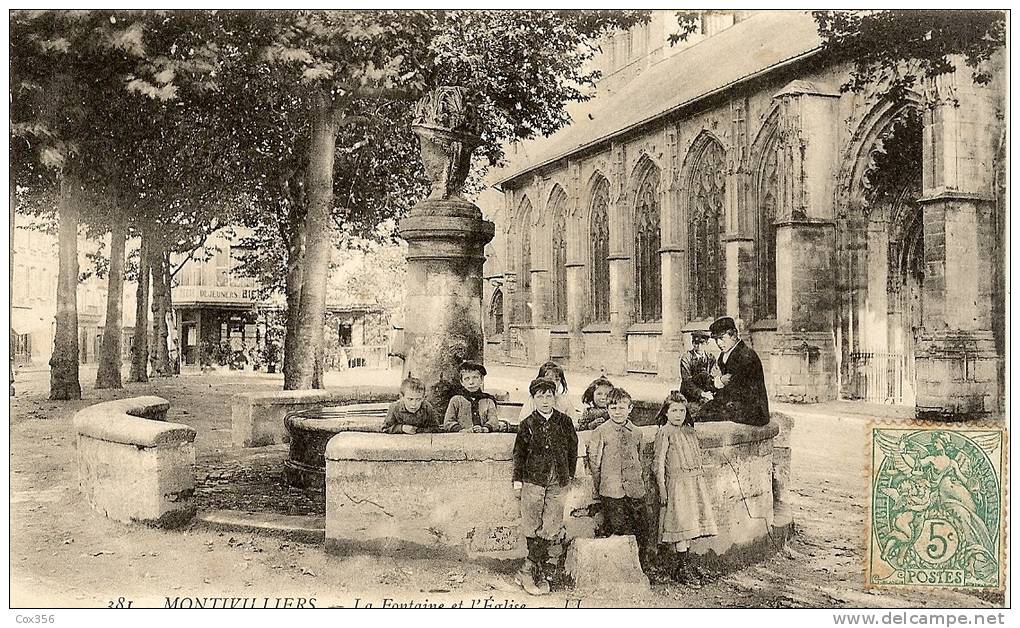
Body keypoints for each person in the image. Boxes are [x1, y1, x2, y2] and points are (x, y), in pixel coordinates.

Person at [512, 378, 578, 595]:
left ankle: (528, 568)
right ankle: (534, 569)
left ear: (555, 397)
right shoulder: (527, 424)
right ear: (533, 399)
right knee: (531, 522)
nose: (545, 400)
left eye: (549, 395)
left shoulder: (565, 422)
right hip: (533, 480)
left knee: (551, 523)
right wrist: (518, 481)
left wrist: (569, 475)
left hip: (558, 479)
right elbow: (519, 455)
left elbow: (572, 450)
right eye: (540, 396)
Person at [653, 391, 718, 581]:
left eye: (682, 410)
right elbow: (658, 464)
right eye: (674, 410)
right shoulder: (664, 433)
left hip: (693, 483)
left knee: (691, 523)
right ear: (666, 412)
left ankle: (685, 564)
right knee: (681, 523)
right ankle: (682, 568)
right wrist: (662, 489)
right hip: (677, 485)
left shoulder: (690, 431)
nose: (678, 415)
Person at [587, 387, 652, 570]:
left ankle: (641, 567)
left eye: (622, 408)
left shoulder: (637, 432)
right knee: (618, 529)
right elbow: (595, 463)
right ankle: (622, 569)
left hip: (635, 490)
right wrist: (601, 487)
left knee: (641, 529)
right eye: (613, 408)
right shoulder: (601, 432)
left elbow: (640, 460)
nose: (617, 412)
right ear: (607, 409)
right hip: (612, 491)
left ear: (630, 409)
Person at [697, 317, 770, 426]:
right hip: (735, 403)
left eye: (722, 338)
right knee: (702, 412)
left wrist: (718, 384)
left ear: (734, 335)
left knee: (704, 415)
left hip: (752, 410)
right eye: (716, 339)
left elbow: (737, 389)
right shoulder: (724, 354)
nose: (719, 343)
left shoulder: (746, 356)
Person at [442, 360, 503, 433]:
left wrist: (484, 428)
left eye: (475, 377)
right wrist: (461, 430)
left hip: (484, 439)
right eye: (467, 379)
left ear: (482, 380)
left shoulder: (488, 401)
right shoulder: (456, 400)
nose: (471, 382)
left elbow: (494, 421)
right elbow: (448, 422)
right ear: (462, 382)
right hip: (461, 439)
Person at [679, 331, 716, 414]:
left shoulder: (711, 358)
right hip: (689, 395)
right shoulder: (686, 358)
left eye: (702, 343)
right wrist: (701, 393)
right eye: (696, 343)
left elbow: (713, 376)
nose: (699, 346)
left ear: (707, 343)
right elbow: (687, 381)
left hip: (705, 394)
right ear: (692, 343)